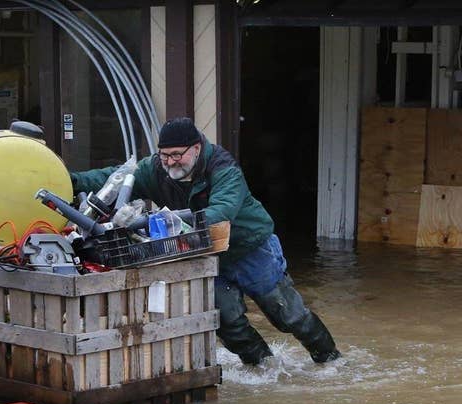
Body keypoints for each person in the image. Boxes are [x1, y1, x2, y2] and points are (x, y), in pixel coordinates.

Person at [70, 117, 340, 366]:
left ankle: (331, 361)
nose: (170, 162)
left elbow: (222, 211)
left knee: (288, 315)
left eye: (177, 155)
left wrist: (167, 222)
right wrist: (72, 180)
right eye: (165, 155)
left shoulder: (224, 168)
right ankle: (264, 368)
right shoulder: (155, 169)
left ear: (196, 148)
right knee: (228, 323)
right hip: (207, 256)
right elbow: (114, 178)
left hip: (250, 247)